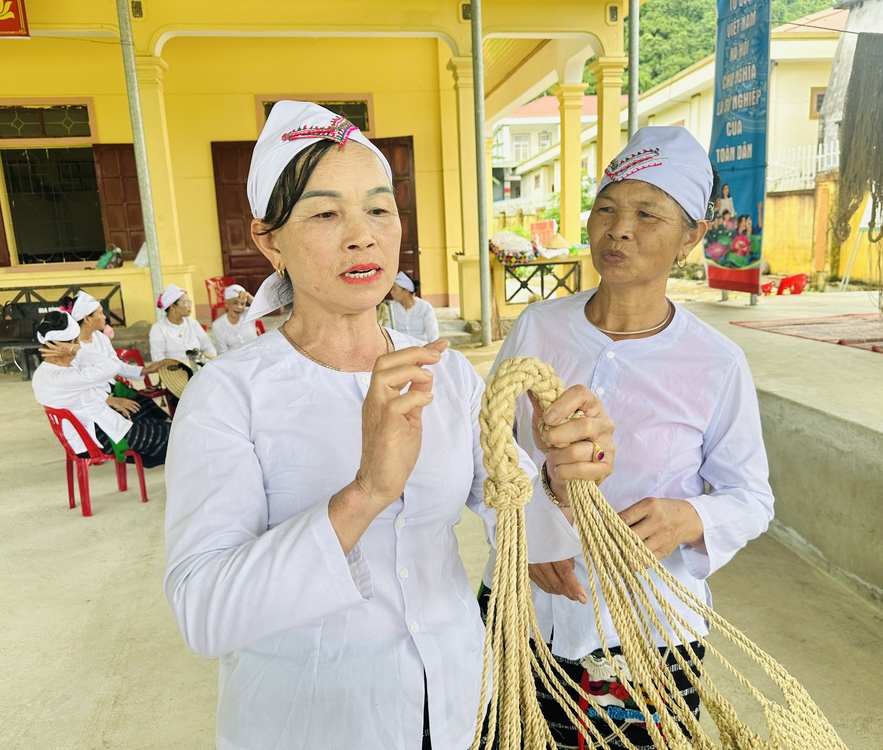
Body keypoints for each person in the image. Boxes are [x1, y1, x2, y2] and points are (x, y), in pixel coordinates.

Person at [162, 100, 615, 750]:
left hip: (454, 703)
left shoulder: (448, 374)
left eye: (379, 209)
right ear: (270, 241)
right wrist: (366, 493)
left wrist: (563, 479)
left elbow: (531, 539)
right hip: (313, 724)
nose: (362, 236)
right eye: (325, 213)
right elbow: (205, 613)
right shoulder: (229, 396)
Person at [479, 126, 775, 749]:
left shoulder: (715, 363)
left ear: (691, 237)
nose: (619, 230)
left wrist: (688, 516)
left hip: (647, 634)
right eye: (607, 208)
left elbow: (751, 498)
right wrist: (527, 539)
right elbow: (486, 458)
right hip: (525, 611)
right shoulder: (539, 326)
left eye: (648, 214)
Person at [32, 311, 170, 468]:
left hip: (93, 430)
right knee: (173, 435)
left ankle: (155, 457)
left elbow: (82, 395)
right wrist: (76, 350)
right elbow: (112, 366)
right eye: (76, 342)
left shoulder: (43, 373)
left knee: (157, 424)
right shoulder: (64, 375)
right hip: (98, 437)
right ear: (69, 344)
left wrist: (110, 402)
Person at [67, 290, 175, 420]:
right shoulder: (70, 349)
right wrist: (110, 400)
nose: (105, 317)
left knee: (161, 417)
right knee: (149, 426)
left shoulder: (101, 338)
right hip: (97, 402)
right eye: (100, 313)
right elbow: (79, 386)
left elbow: (116, 365)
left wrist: (146, 370)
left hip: (113, 392)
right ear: (87, 319)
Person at [149, 283, 217, 366]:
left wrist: (209, 362)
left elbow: (208, 347)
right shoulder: (159, 328)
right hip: (175, 372)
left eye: (189, 302)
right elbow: (158, 357)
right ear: (173, 307)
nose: (189, 305)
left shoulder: (193, 323)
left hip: (199, 368)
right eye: (185, 302)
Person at [386, 271, 439, 341]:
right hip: (401, 348)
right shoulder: (390, 308)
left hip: (422, 347)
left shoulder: (425, 307)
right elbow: (388, 332)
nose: (391, 292)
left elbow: (433, 334)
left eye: (394, 289)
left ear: (406, 291)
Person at [211, 283, 259, 354]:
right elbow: (223, 352)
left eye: (242, 304)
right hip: (235, 361)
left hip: (256, 354)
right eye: (235, 303)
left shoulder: (248, 314)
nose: (239, 307)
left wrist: (248, 296)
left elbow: (261, 307)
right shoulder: (218, 325)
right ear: (226, 303)